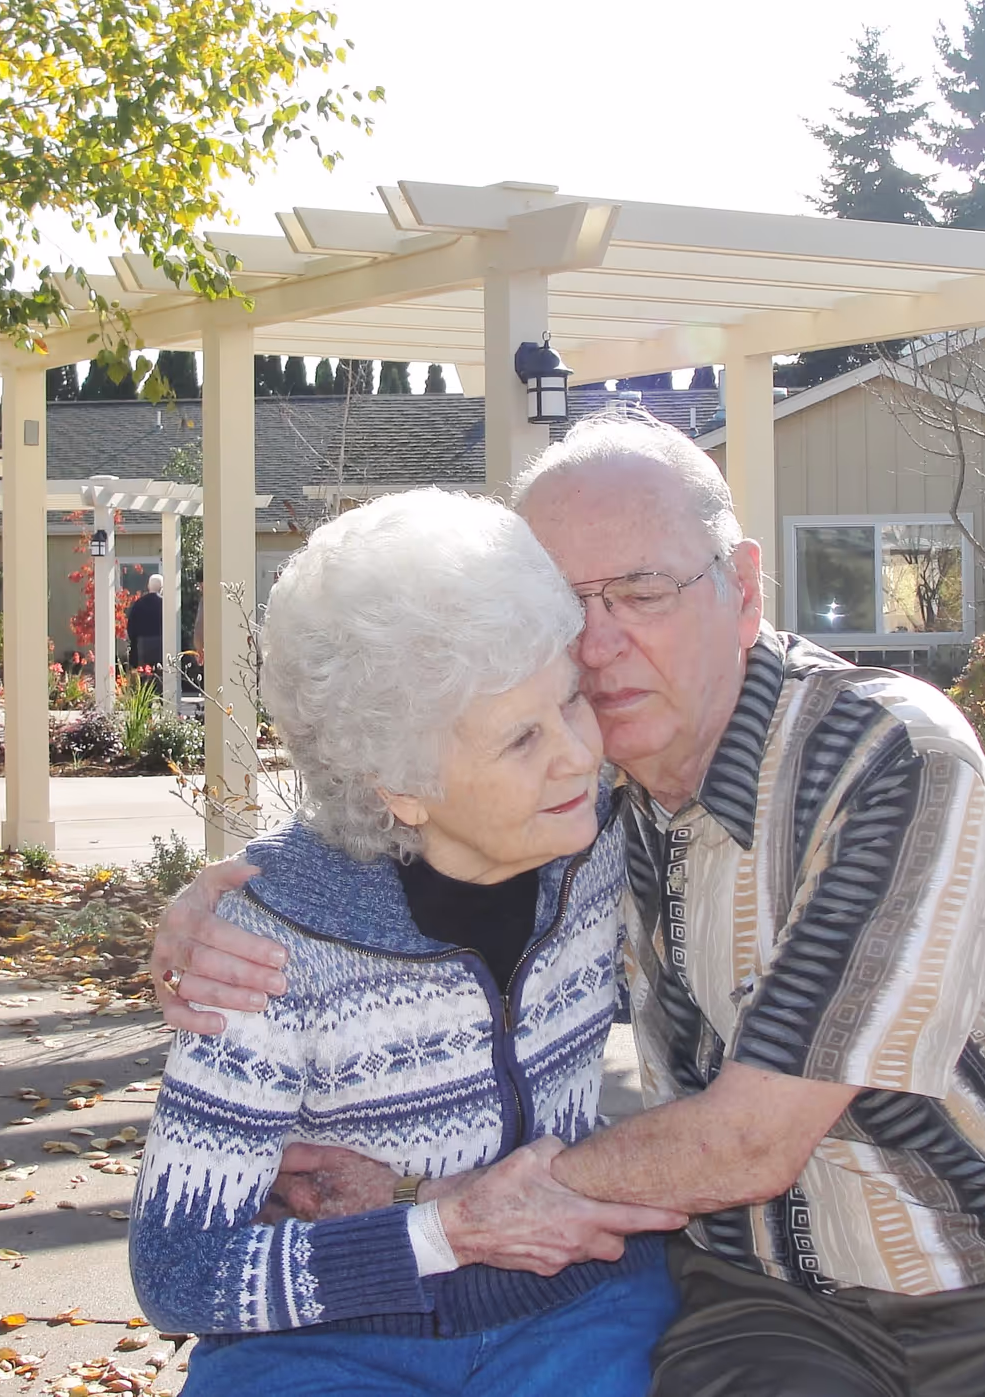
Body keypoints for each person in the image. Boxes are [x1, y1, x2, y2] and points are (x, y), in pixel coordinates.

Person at [151, 411, 985, 1396]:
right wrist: (222, 904)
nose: (600, 650)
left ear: (744, 590)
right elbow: (413, 790)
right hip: (766, 1305)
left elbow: (750, 1140)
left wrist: (436, 1209)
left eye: (643, 593)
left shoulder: (886, 756)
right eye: (568, 612)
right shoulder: (588, 794)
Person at [129, 488, 686, 1397]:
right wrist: (442, 1229)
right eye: (521, 739)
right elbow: (178, 1269)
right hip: (330, 1346)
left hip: (581, 1314)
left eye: (571, 701)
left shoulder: (603, 853)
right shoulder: (275, 944)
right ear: (400, 785)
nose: (580, 755)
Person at [126, 572, 165, 685]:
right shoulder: (164, 603)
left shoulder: (138, 604)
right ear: (162, 587)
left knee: (144, 676)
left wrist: (133, 643)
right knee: (160, 675)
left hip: (142, 645)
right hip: (161, 644)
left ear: (148, 586)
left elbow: (131, 627)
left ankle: (144, 699)